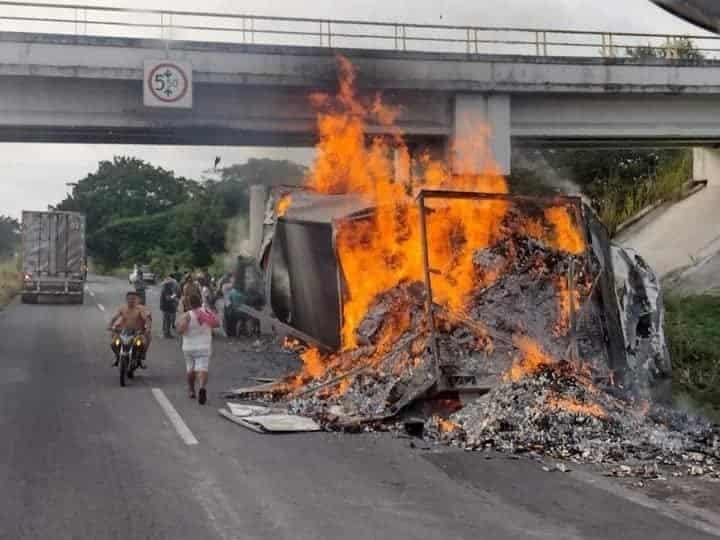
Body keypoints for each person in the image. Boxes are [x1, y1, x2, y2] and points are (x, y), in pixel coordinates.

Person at [176, 292, 219, 404]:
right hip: (204, 346)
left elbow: (181, 330)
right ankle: (202, 387)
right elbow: (217, 323)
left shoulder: (187, 315)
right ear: (200, 301)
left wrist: (181, 325)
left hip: (189, 347)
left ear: (189, 304)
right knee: (203, 369)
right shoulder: (207, 312)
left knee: (190, 369)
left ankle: (191, 390)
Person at [108, 291, 152, 368]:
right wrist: (110, 325)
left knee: (144, 342)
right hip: (124, 331)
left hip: (137, 332)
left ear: (137, 300)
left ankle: (140, 357)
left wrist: (148, 328)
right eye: (129, 299)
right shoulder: (123, 308)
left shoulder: (141, 309)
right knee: (113, 343)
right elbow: (115, 318)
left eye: (133, 299)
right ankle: (118, 357)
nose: (131, 300)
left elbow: (147, 319)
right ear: (126, 299)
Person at [160, 273, 180, 338]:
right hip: (166, 306)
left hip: (165, 305)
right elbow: (168, 298)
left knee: (166, 320)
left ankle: (166, 332)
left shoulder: (166, 288)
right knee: (167, 320)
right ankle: (167, 333)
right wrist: (174, 297)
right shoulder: (166, 289)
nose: (172, 284)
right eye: (171, 283)